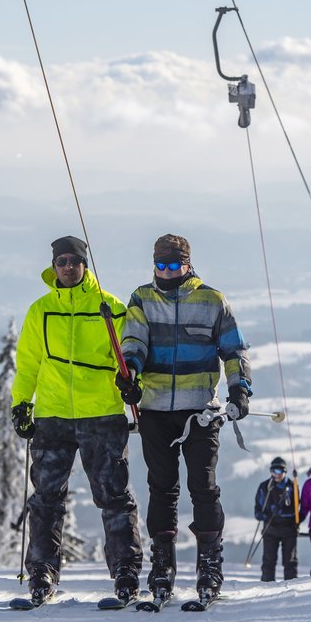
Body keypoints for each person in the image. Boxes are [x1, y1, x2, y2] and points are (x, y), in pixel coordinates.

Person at [117, 233, 252, 601]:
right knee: (161, 490)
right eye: (160, 265)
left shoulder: (212, 300)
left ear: (188, 264)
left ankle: (209, 566)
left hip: (200, 413)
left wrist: (239, 390)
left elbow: (233, 350)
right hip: (155, 410)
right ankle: (162, 567)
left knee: (203, 489)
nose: (166, 271)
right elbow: (134, 340)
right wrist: (129, 371)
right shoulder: (142, 298)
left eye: (174, 264)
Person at [10, 235, 143, 603]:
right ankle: (41, 573)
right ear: (54, 267)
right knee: (46, 499)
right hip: (52, 417)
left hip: (101, 414)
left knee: (113, 496)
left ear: (85, 264)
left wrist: (134, 387)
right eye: (61, 261)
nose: (68, 267)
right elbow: (28, 363)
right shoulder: (40, 310)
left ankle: (126, 574)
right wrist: (21, 404)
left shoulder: (111, 309)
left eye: (74, 261)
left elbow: (131, 358)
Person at [254, 456, 298, 582]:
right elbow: (258, 509)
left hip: (288, 529)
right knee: (268, 561)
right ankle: (266, 586)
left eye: (280, 471)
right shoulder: (264, 487)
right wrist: (263, 515)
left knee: (290, 561)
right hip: (270, 529)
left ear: (285, 472)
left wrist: (282, 513)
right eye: (273, 471)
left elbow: (296, 509)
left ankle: (291, 585)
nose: (276, 474)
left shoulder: (292, 487)